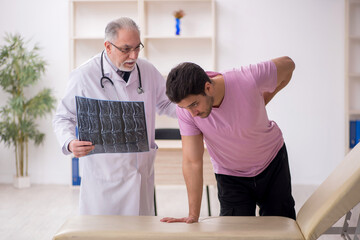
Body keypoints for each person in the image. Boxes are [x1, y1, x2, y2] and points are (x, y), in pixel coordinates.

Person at [53, 17, 176, 215]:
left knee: (140, 232)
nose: (133, 55)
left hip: (141, 174)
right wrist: (69, 142)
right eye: (126, 49)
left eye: (137, 47)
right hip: (105, 179)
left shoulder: (148, 71)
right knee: (104, 233)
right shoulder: (84, 76)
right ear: (108, 46)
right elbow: (63, 117)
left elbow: (166, 103)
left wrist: (194, 110)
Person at [161, 56, 296, 223]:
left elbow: (289, 65)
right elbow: (192, 161)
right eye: (185, 107)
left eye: (194, 104)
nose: (192, 113)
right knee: (234, 232)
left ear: (208, 87)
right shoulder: (187, 112)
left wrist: (262, 98)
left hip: (272, 163)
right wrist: (193, 215)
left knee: (282, 226)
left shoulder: (247, 78)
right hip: (230, 175)